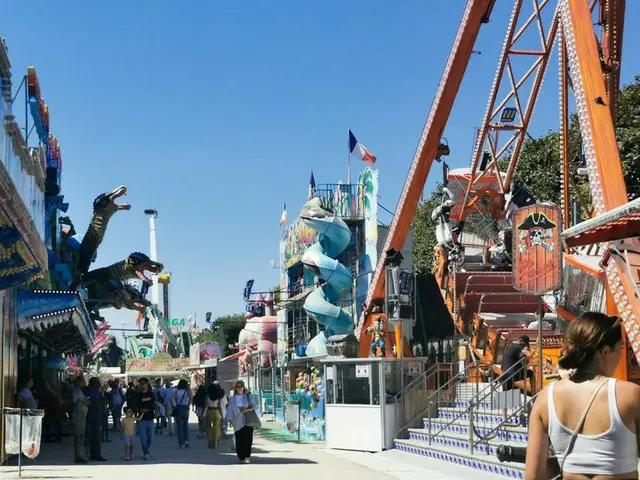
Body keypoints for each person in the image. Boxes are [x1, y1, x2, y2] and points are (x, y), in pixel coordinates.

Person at [525, 312, 639, 479]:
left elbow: (533, 476)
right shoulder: (630, 395)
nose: (621, 356)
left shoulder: (544, 398)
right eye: (620, 348)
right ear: (605, 351)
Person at [227, 380, 256, 464]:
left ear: (244, 388)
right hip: (237, 422)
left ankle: (247, 456)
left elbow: (254, 406)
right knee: (239, 440)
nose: (240, 389)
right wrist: (229, 419)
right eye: (238, 387)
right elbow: (230, 409)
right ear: (236, 389)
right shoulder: (233, 399)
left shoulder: (248, 397)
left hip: (247, 421)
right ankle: (241, 456)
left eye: (241, 387)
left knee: (248, 439)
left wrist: (247, 409)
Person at [135, 377, 156, 460]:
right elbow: (135, 406)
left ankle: (147, 450)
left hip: (150, 418)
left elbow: (155, 404)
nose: (142, 385)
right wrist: (140, 410)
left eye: (143, 383)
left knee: (150, 438)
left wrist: (156, 413)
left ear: (147, 384)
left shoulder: (151, 394)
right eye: (140, 384)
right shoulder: (137, 395)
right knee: (143, 438)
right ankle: (146, 453)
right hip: (142, 420)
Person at [85, 377, 106, 461]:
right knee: (94, 436)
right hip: (93, 416)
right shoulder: (89, 391)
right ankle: (94, 454)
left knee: (96, 436)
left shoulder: (97, 391)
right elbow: (90, 402)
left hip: (98, 415)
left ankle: (95, 454)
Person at [71, 377, 89, 463]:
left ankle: (78, 454)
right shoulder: (78, 391)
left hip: (79, 414)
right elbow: (86, 402)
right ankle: (78, 455)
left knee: (79, 435)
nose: (84, 383)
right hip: (79, 415)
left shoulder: (75, 391)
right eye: (83, 381)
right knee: (79, 435)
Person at [172, 379, 192, 448]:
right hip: (185, 408)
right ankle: (186, 440)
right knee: (185, 425)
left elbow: (172, 399)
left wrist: (174, 406)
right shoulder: (187, 392)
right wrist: (188, 405)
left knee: (179, 426)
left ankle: (181, 443)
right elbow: (191, 398)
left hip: (179, 408)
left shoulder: (176, 392)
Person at [205, 381, 224, 448]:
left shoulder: (207, 396)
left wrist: (203, 414)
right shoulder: (218, 396)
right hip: (217, 411)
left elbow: (205, 405)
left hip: (209, 411)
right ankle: (215, 443)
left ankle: (210, 439)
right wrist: (221, 415)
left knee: (207, 426)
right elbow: (220, 406)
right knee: (216, 428)